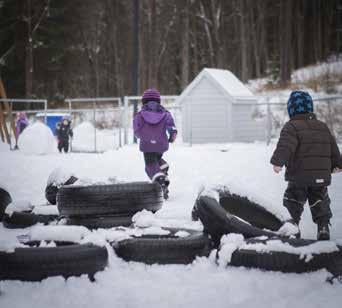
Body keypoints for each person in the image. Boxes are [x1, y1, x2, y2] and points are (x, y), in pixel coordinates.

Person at [271, 90, 342, 240]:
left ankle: (292, 227)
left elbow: (286, 146)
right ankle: (323, 227)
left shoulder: (291, 127)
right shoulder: (322, 126)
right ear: (310, 108)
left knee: (293, 201)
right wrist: (338, 163)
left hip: (299, 177)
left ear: (291, 110)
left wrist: (278, 162)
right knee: (320, 200)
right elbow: (332, 147)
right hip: (320, 177)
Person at [133, 88, 177, 199]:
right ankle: (162, 165)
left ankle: (161, 183)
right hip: (161, 145)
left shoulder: (140, 115)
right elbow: (171, 126)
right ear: (158, 101)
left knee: (150, 166)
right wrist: (172, 136)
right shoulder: (166, 114)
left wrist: (141, 136)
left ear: (144, 101)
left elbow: (136, 131)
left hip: (147, 145)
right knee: (156, 159)